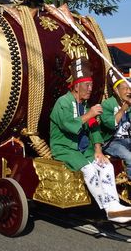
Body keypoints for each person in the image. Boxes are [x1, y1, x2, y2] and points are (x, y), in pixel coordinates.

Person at [50, 57, 131, 223]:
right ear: (76, 85)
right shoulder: (63, 103)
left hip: (83, 149)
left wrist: (98, 150)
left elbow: (94, 129)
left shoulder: (86, 106)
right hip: (65, 148)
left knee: (106, 165)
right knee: (89, 170)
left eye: (91, 85)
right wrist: (91, 114)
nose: (90, 88)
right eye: (86, 85)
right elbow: (68, 125)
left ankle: (114, 205)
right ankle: (108, 209)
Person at [100, 68, 131, 179]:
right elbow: (110, 124)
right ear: (116, 90)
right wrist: (122, 110)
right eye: (125, 88)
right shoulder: (107, 105)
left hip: (127, 139)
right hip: (112, 141)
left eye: (130, 88)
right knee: (129, 157)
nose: (129, 91)